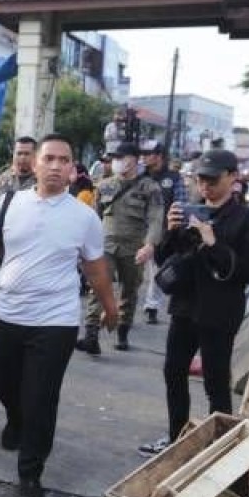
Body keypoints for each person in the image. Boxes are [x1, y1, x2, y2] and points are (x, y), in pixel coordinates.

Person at [0, 134, 119, 497]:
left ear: (72, 169)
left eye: (63, 160)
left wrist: (111, 308)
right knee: (5, 381)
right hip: (5, 313)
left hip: (56, 320)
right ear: (34, 164)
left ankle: (30, 473)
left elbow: (96, 270)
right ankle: (15, 419)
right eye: (48, 158)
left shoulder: (84, 217)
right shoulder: (9, 202)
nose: (55, 165)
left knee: (41, 397)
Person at [139, 149, 249, 455]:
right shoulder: (187, 211)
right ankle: (176, 438)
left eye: (212, 180)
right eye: (200, 180)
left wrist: (214, 243)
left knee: (216, 381)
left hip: (220, 312)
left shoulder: (245, 220)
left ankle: (219, 448)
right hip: (185, 306)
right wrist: (170, 233)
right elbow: (165, 260)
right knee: (173, 372)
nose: (205, 186)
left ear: (232, 178)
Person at [74, 142, 163, 354]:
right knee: (97, 284)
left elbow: (156, 218)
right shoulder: (104, 185)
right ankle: (91, 334)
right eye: (113, 158)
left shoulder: (150, 188)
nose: (115, 162)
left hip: (134, 246)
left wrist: (150, 244)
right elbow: (93, 216)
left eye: (120, 158)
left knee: (129, 289)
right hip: (105, 243)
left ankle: (123, 330)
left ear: (133, 159)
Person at [140, 139, 187, 325]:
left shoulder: (174, 178)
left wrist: (175, 229)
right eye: (142, 154)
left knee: (156, 270)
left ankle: (152, 306)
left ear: (159, 156)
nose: (143, 157)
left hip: (162, 232)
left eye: (147, 154)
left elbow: (180, 204)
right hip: (136, 229)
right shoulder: (139, 176)